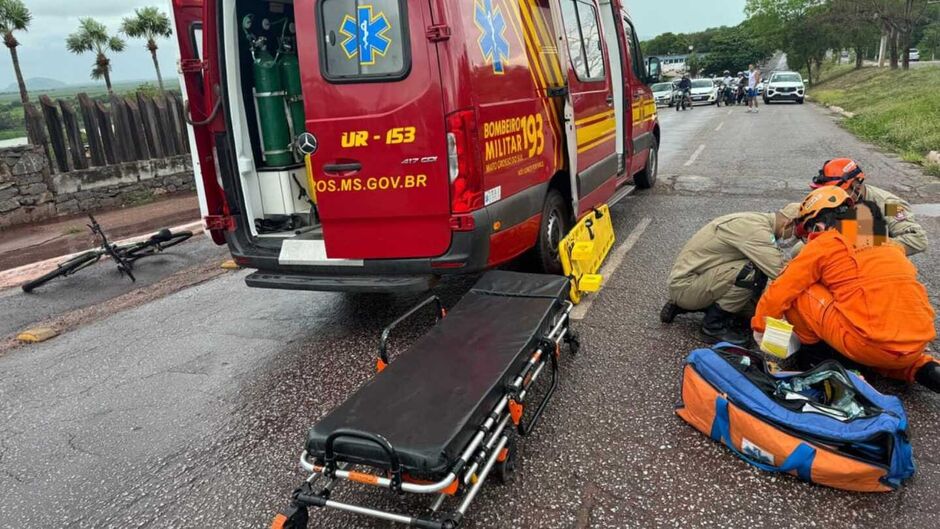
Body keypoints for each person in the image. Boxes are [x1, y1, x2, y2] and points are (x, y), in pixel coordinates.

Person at [751, 186, 940, 392]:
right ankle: (924, 368)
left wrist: (760, 326)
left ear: (818, 225)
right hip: (916, 343)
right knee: (892, 350)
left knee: (800, 291)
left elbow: (782, 289)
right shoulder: (884, 242)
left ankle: (820, 362)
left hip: (867, 344)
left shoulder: (825, 243)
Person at [661, 203, 802, 345]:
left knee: (752, 312)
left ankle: (685, 305)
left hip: (692, 280)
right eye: (798, 234)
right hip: (687, 286)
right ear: (789, 223)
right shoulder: (756, 232)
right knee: (750, 273)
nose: (796, 239)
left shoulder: (757, 221)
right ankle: (712, 327)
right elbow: (781, 273)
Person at [811, 158, 927, 256]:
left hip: (879, 260)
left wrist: (869, 246)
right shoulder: (832, 200)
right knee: (801, 250)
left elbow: (917, 239)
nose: (833, 197)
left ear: (856, 185)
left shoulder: (888, 204)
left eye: (838, 191)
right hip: (842, 250)